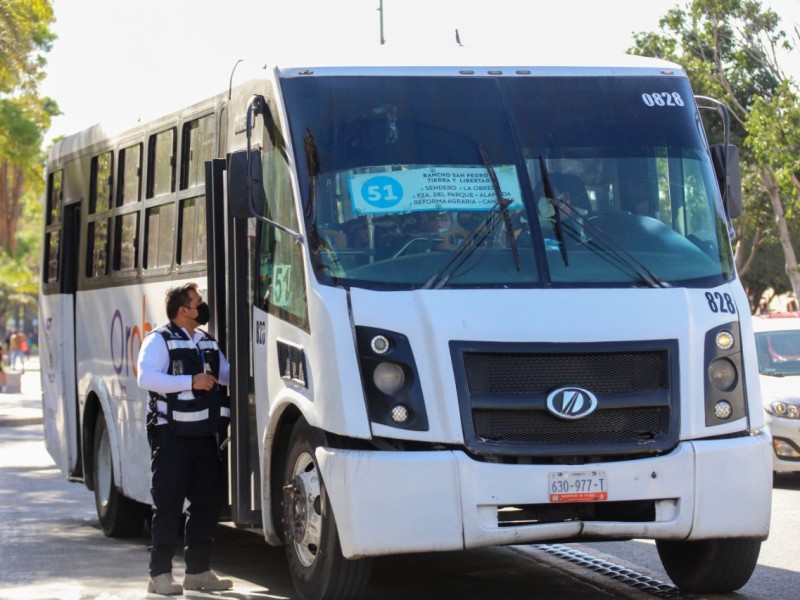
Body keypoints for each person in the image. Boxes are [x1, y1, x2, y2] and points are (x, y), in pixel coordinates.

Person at [137, 283, 233, 595]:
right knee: (168, 504)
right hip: (171, 435)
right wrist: (189, 381)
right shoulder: (159, 340)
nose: (203, 306)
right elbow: (146, 378)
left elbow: (227, 373)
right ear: (184, 310)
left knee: (207, 502)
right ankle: (159, 576)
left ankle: (198, 572)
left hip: (204, 435)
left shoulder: (205, 340)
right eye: (198, 302)